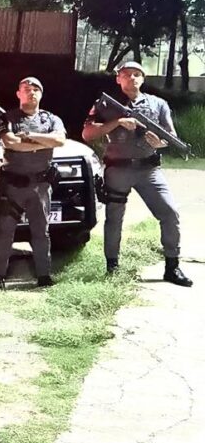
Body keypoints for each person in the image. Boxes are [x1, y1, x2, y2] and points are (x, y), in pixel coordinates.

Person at [82, 61, 192, 286]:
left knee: (169, 213)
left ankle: (172, 266)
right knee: (114, 219)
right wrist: (117, 122)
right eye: (126, 74)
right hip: (118, 169)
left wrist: (159, 143)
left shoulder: (158, 104)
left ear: (143, 79)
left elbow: (170, 136)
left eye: (136, 74)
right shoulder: (106, 104)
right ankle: (112, 267)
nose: (132, 78)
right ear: (118, 79)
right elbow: (87, 133)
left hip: (148, 170)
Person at [0, 76, 66, 291]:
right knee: (5, 232)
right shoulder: (7, 118)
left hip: (40, 186)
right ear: (18, 94)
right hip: (12, 186)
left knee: (41, 232)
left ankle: (44, 276)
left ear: (41, 94)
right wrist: (42, 143)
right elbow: (10, 142)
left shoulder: (51, 119)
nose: (31, 92)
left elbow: (59, 140)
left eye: (36, 89)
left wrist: (29, 136)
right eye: (26, 89)